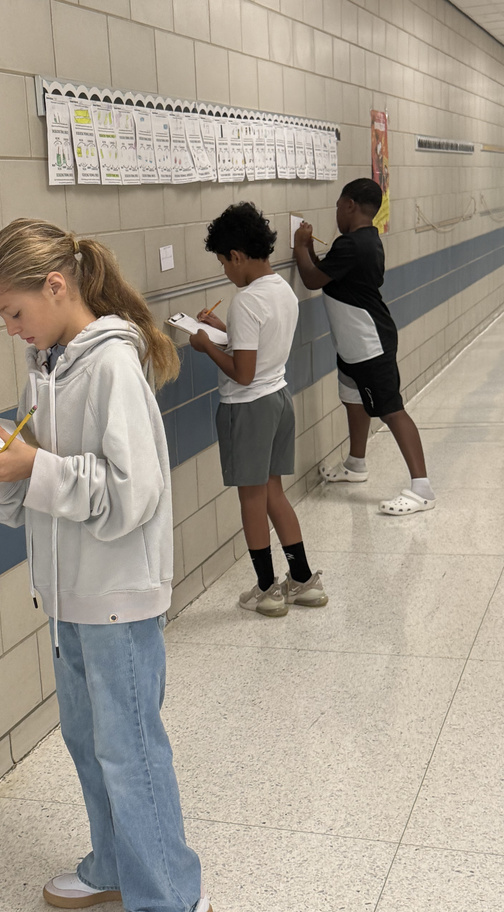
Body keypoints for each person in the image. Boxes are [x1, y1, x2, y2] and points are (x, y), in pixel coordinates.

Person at [0, 219, 213, 912]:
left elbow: (134, 494)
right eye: (0, 315)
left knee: (130, 747)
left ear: (56, 286)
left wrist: (35, 468)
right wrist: (1, 461)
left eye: (14, 311)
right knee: (89, 740)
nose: (9, 327)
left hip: (117, 596)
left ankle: (173, 901)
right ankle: (116, 864)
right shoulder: (50, 363)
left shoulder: (111, 366)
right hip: (66, 595)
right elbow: (48, 471)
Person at [192, 201, 327, 616]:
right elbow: (258, 344)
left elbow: (242, 373)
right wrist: (224, 331)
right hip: (279, 400)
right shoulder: (280, 289)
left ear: (236, 256)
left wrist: (206, 345)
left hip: (248, 408)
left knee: (251, 500)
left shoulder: (245, 300)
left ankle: (267, 589)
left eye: (224, 264)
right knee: (273, 493)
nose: (225, 273)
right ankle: (303, 581)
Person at [293, 178, 436, 515]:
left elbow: (313, 279)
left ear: (349, 205)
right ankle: (356, 464)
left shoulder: (352, 245)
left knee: (390, 409)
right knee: (352, 400)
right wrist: (311, 252)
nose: (337, 213)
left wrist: (300, 246)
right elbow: (326, 271)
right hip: (352, 345)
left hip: (370, 344)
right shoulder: (365, 240)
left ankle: (422, 488)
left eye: (338, 206)